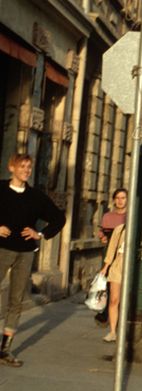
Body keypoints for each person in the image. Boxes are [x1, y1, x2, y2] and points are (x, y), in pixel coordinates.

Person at [0, 153, 67, 367]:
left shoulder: (36, 196)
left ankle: (5, 349)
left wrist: (41, 234)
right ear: (12, 168)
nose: (26, 170)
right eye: (22, 166)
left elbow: (59, 218)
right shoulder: (0, 189)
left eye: (29, 167)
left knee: (16, 301)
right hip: (2, 249)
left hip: (25, 253)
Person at [94, 188, 127, 325]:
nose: (120, 201)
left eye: (123, 198)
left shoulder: (129, 217)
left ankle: (120, 312)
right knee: (106, 281)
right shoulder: (107, 216)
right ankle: (105, 311)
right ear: (114, 200)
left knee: (121, 283)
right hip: (108, 251)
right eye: (117, 198)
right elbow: (101, 232)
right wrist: (102, 237)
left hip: (123, 252)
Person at [100, 222, 126, 343]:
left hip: (133, 268)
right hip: (118, 267)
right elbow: (111, 250)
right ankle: (112, 331)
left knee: (127, 302)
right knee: (114, 300)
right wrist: (105, 268)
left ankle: (124, 329)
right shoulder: (119, 229)